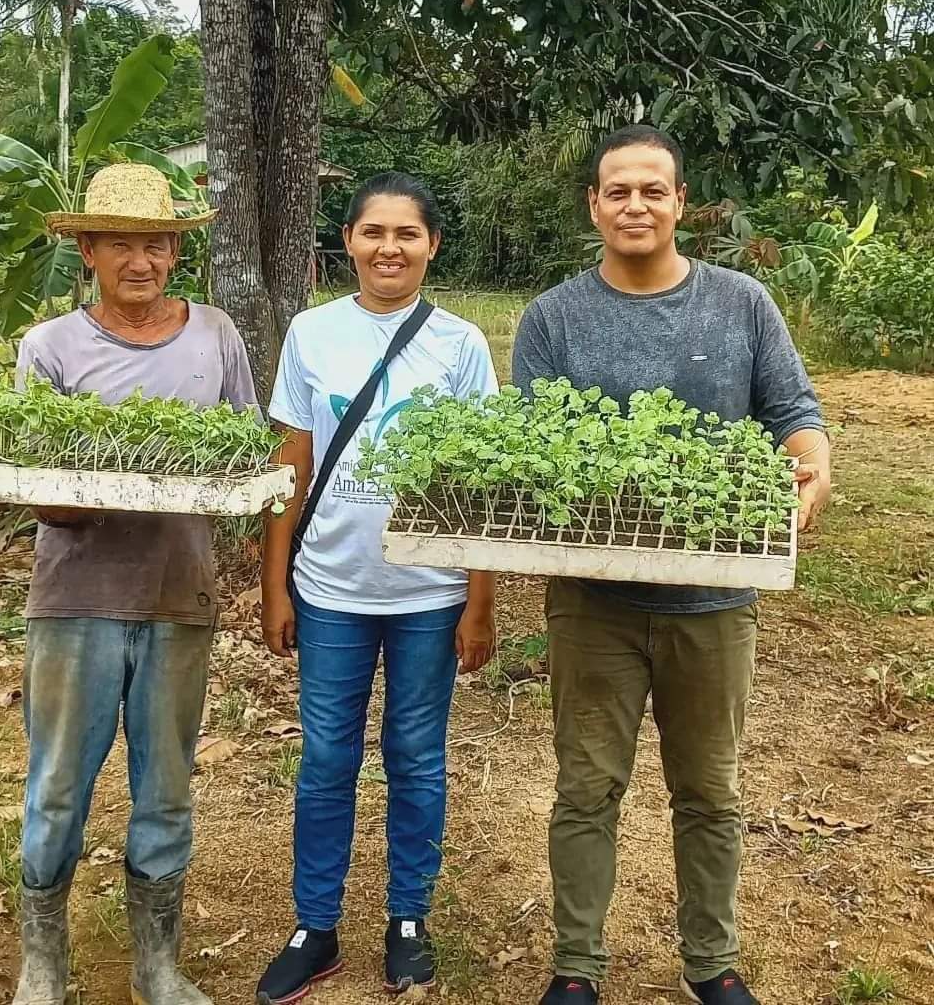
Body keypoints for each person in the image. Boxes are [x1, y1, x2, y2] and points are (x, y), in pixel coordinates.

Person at [512, 127, 832, 1005]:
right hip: (592, 603)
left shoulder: (742, 304)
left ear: (681, 202)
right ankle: (575, 970)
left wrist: (811, 470)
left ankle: (712, 964)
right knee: (585, 789)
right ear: (594, 205)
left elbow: (794, 411)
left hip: (715, 598)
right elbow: (537, 449)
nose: (636, 206)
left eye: (654, 190)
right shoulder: (552, 318)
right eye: (619, 191)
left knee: (710, 791)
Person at [12, 163, 259, 1005]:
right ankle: (43, 963)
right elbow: (38, 489)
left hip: (178, 596)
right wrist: (107, 484)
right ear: (88, 251)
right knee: (56, 785)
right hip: (75, 599)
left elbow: (244, 454)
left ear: (174, 251)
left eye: (156, 243)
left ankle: (157, 964)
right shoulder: (48, 347)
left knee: (166, 787)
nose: (141, 261)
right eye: (120, 243)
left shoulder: (216, 334)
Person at [256, 173, 500, 1003]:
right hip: (329, 587)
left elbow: (482, 478)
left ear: (432, 245)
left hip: (429, 593)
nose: (389, 248)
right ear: (348, 242)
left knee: (416, 758)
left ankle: (407, 919)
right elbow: (292, 462)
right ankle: (314, 926)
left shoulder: (461, 344)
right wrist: (275, 583)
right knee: (326, 759)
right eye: (372, 233)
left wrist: (480, 598)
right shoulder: (309, 333)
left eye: (407, 234)